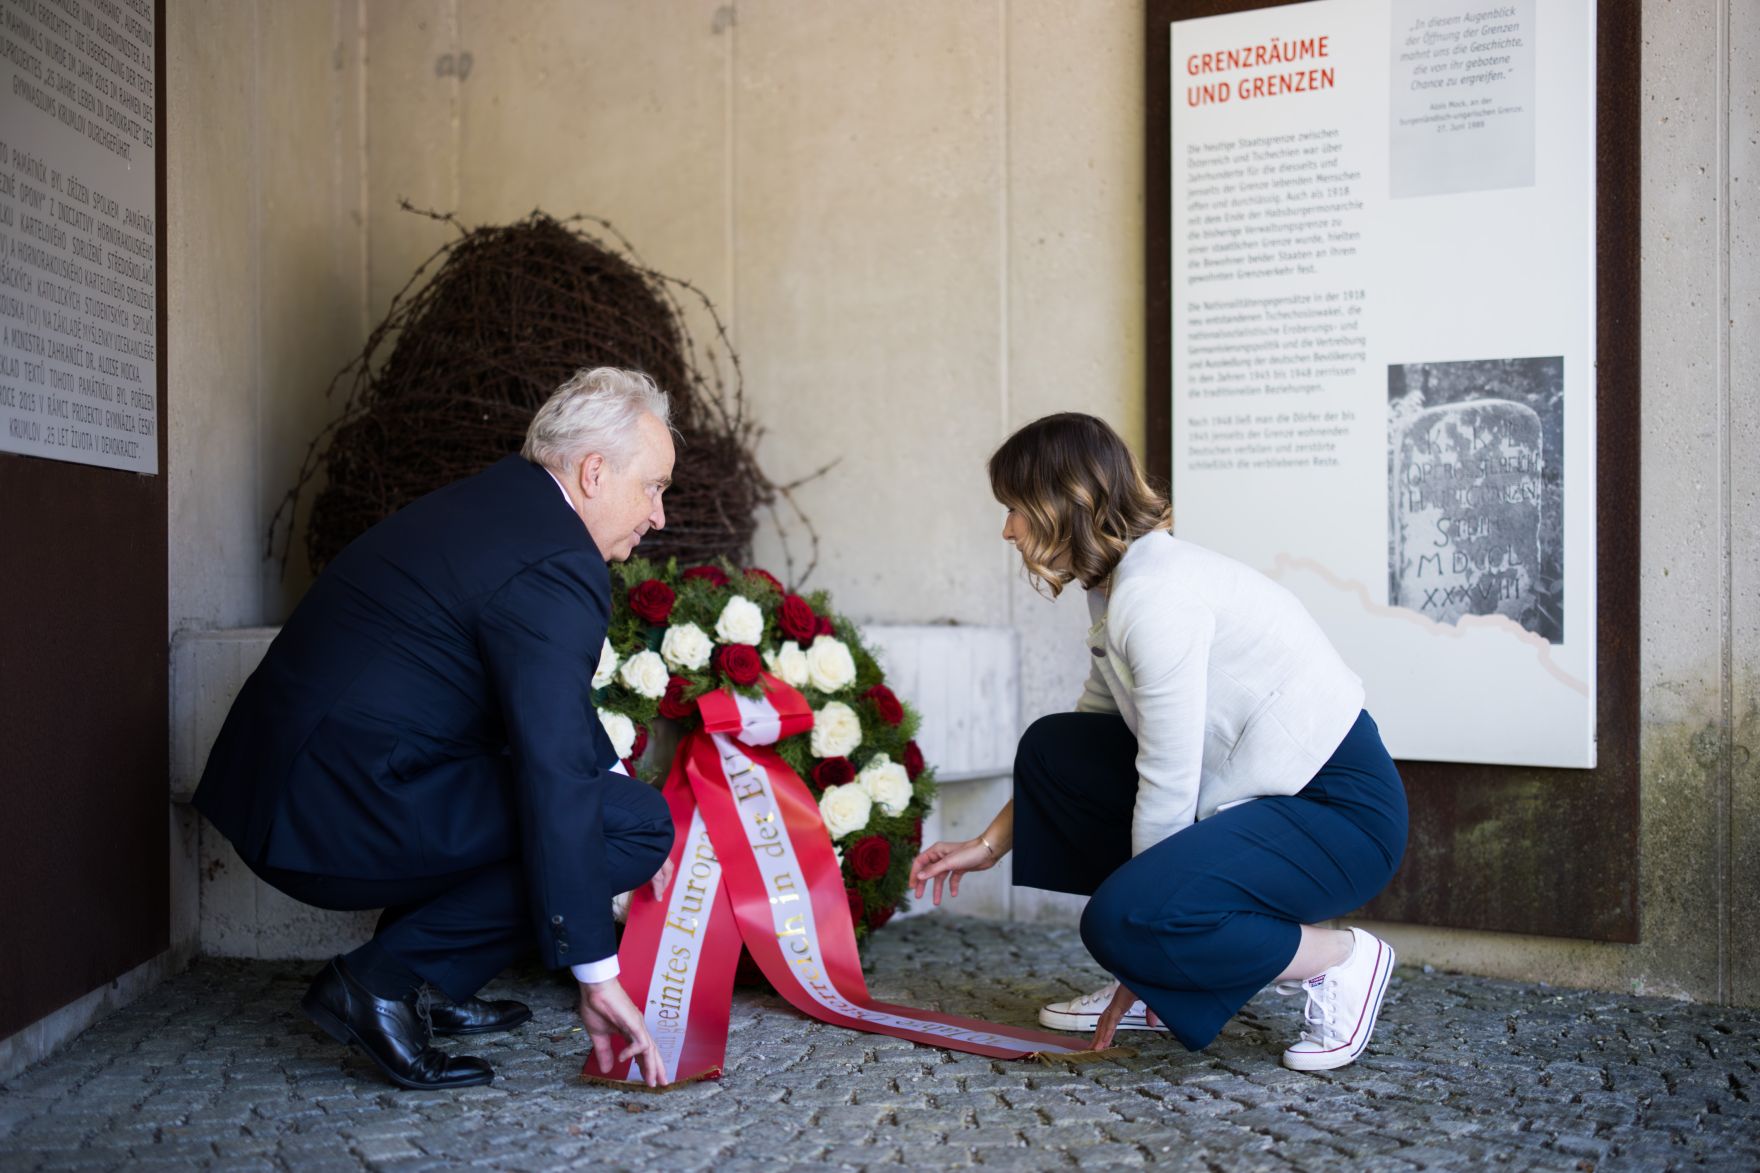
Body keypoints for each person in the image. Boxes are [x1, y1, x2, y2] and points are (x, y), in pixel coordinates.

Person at [194, 367, 680, 1089]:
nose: (659, 515)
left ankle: (427, 982)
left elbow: (545, 701)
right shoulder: (555, 558)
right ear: (594, 471)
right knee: (638, 826)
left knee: (593, 801)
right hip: (327, 811)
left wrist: (608, 785)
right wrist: (598, 971)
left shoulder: (506, 508)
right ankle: (381, 982)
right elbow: (551, 770)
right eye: (655, 487)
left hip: (292, 782)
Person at [909, 412, 1408, 1070]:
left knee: (1122, 919)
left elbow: (1168, 782)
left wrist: (1141, 941)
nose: (1008, 530)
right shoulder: (1115, 586)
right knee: (1055, 749)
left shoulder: (1154, 597)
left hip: (1338, 814)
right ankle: (1165, 966)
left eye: (1016, 509)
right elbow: (1094, 730)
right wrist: (986, 843)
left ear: (1066, 501)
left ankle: (1340, 959)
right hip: (1265, 797)